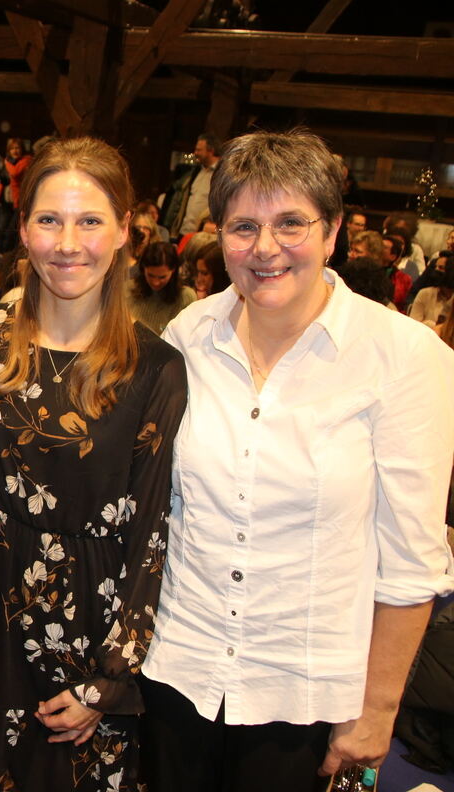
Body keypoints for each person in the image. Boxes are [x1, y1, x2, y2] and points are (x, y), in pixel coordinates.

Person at [140, 128, 454, 792]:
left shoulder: (405, 357)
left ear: (332, 231)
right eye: (243, 226)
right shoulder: (188, 336)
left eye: (291, 224)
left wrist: (377, 710)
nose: (265, 248)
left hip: (304, 697)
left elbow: (412, 560)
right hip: (178, 672)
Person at [0, 136, 188, 791]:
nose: (68, 243)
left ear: (124, 230)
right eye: (49, 220)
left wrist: (110, 680)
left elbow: (153, 535)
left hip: (84, 643)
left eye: (90, 221)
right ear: (24, 229)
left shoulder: (155, 369)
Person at [162, 133, 220, 238]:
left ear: (210, 151)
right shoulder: (194, 172)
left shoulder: (222, 174)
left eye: (199, 150)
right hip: (183, 232)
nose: (195, 153)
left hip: (203, 235)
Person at [130, 242, 196, 334]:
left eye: (162, 277)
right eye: (150, 275)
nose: (155, 282)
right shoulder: (128, 289)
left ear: (173, 270)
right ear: (143, 269)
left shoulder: (186, 297)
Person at [408, 251, 453, 330]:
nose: (436, 271)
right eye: (435, 267)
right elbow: (412, 326)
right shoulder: (424, 294)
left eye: (441, 268)